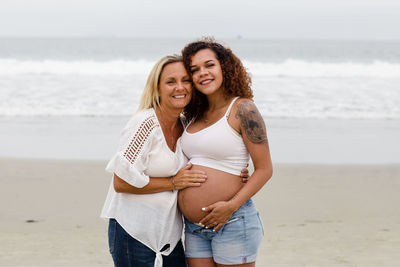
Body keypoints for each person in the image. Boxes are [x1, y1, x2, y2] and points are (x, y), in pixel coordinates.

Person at [100, 54, 249, 267]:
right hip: (134, 233)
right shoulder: (144, 125)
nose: (180, 87)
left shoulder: (187, 126)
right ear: (157, 87)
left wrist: (235, 173)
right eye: (171, 82)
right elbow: (121, 182)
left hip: (169, 236)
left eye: (185, 80)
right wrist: (172, 182)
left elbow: (210, 155)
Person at [179, 38, 273, 267]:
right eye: (195, 69)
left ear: (224, 67)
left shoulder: (243, 109)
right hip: (194, 228)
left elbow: (264, 169)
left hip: (232, 220)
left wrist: (230, 206)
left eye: (209, 65)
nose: (203, 73)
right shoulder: (191, 115)